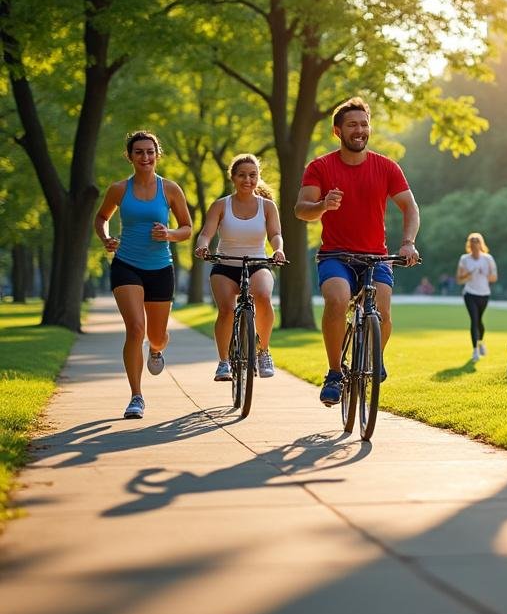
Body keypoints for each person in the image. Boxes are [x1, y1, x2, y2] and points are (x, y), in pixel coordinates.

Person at [296, 97, 421, 406]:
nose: (360, 130)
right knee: (337, 300)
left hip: (375, 256)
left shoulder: (386, 167)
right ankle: (335, 373)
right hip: (336, 255)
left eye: (364, 124)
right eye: (352, 125)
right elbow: (301, 210)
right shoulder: (320, 167)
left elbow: (410, 207)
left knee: (384, 310)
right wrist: (323, 205)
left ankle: (375, 356)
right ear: (337, 131)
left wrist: (408, 242)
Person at [93, 131, 194, 419]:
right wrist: (106, 238)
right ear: (130, 156)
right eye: (139, 152)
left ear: (157, 155)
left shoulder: (171, 189)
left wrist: (169, 234)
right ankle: (136, 396)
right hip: (127, 265)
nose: (145, 157)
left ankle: (157, 349)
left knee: (156, 336)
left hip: (160, 267)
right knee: (136, 329)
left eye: (150, 151)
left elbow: (187, 228)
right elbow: (102, 218)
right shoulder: (118, 189)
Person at [193, 154, 286, 382]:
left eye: (253, 175)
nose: (248, 180)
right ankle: (223, 362)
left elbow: (275, 234)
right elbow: (206, 233)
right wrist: (203, 246)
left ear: (258, 177)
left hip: (257, 263)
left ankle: (263, 352)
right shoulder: (220, 205)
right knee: (226, 310)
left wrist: (278, 250)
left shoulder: (267, 206)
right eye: (242, 175)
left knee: (263, 296)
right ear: (233, 177)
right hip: (225, 266)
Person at [457, 232, 498, 360]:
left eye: (477, 242)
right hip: (470, 293)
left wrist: (484, 274)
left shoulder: (488, 259)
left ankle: (481, 342)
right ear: (469, 245)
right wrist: (468, 274)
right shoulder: (464, 259)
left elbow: (494, 278)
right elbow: (459, 279)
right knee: (474, 320)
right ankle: (475, 351)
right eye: (472, 242)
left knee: (479, 320)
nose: (475, 245)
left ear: (481, 244)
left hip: (484, 294)